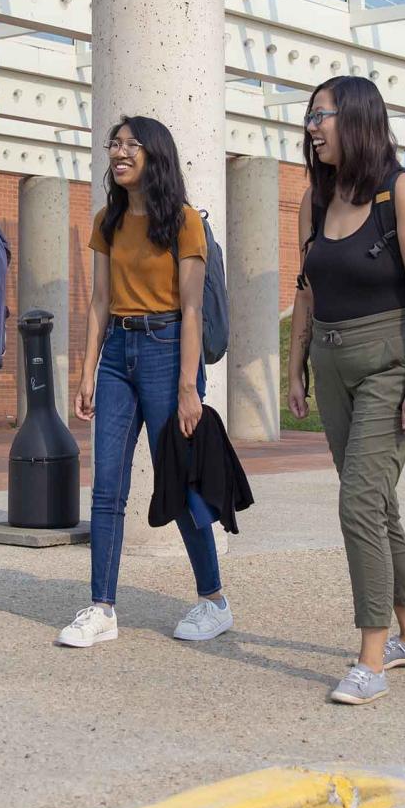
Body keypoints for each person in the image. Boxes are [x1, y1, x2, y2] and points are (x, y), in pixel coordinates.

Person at [56, 116, 235, 650]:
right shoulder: (107, 221)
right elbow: (99, 302)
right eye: (115, 143)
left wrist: (187, 387)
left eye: (133, 144)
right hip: (117, 356)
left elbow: (193, 306)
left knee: (179, 481)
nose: (120, 151)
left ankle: (213, 600)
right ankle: (102, 608)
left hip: (167, 350)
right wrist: (87, 371)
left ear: (156, 155)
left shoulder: (182, 221)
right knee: (107, 485)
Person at [287, 75, 405, 706]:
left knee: (357, 505)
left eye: (323, 115)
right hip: (330, 360)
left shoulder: (400, 193)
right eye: (310, 117)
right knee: (378, 505)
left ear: (357, 118)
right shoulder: (314, 200)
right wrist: (294, 362)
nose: (313, 126)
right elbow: (305, 288)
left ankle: (371, 657)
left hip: (388, 362)